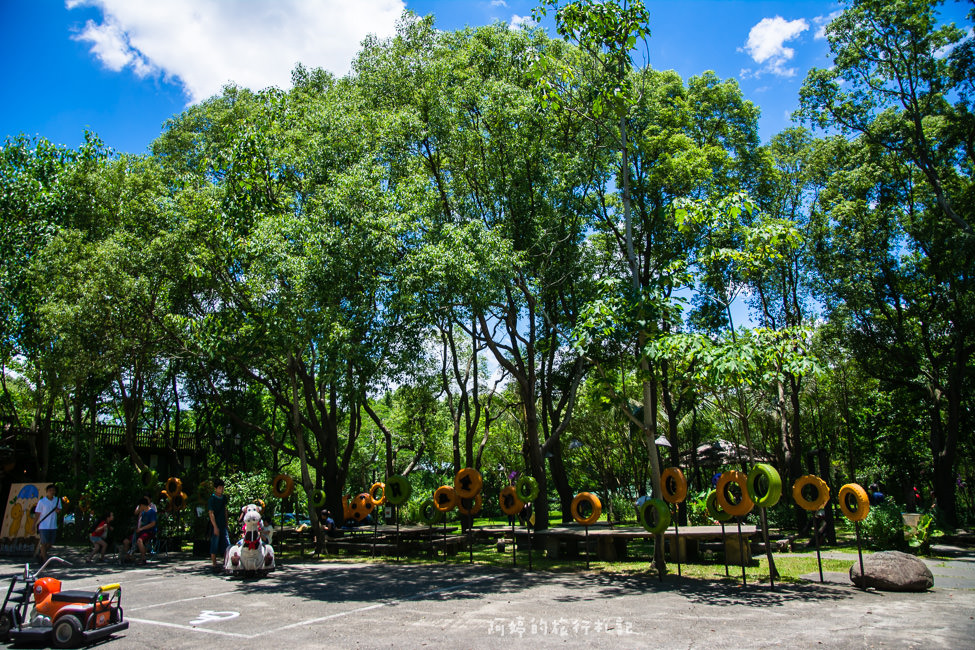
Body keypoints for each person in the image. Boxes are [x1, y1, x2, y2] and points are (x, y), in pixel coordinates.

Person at [121, 498, 156, 563]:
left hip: (149, 531)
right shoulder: (142, 513)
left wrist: (142, 528)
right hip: (141, 531)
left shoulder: (152, 512)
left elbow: (153, 524)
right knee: (126, 541)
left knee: (139, 541)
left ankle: (143, 558)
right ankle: (128, 557)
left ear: (142, 505)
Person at [33, 484, 61, 561]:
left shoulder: (57, 500)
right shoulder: (42, 501)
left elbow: (59, 510)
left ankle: (41, 554)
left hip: (53, 525)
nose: (52, 492)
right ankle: (44, 560)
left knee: (50, 543)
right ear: (47, 492)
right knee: (44, 543)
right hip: (44, 525)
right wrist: (34, 524)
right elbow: (37, 513)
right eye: (50, 490)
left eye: (53, 490)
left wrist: (57, 510)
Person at [208, 479, 230, 570]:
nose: (221, 489)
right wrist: (215, 527)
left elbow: (225, 510)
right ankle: (214, 563)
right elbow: (211, 513)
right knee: (215, 542)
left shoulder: (224, 498)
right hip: (215, 524)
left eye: (222, 487)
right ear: (215, 488)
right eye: (220, 488)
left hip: (223, 524)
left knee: (226, 543)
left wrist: (226, 522)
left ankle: (226, 562)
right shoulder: (212, 499)